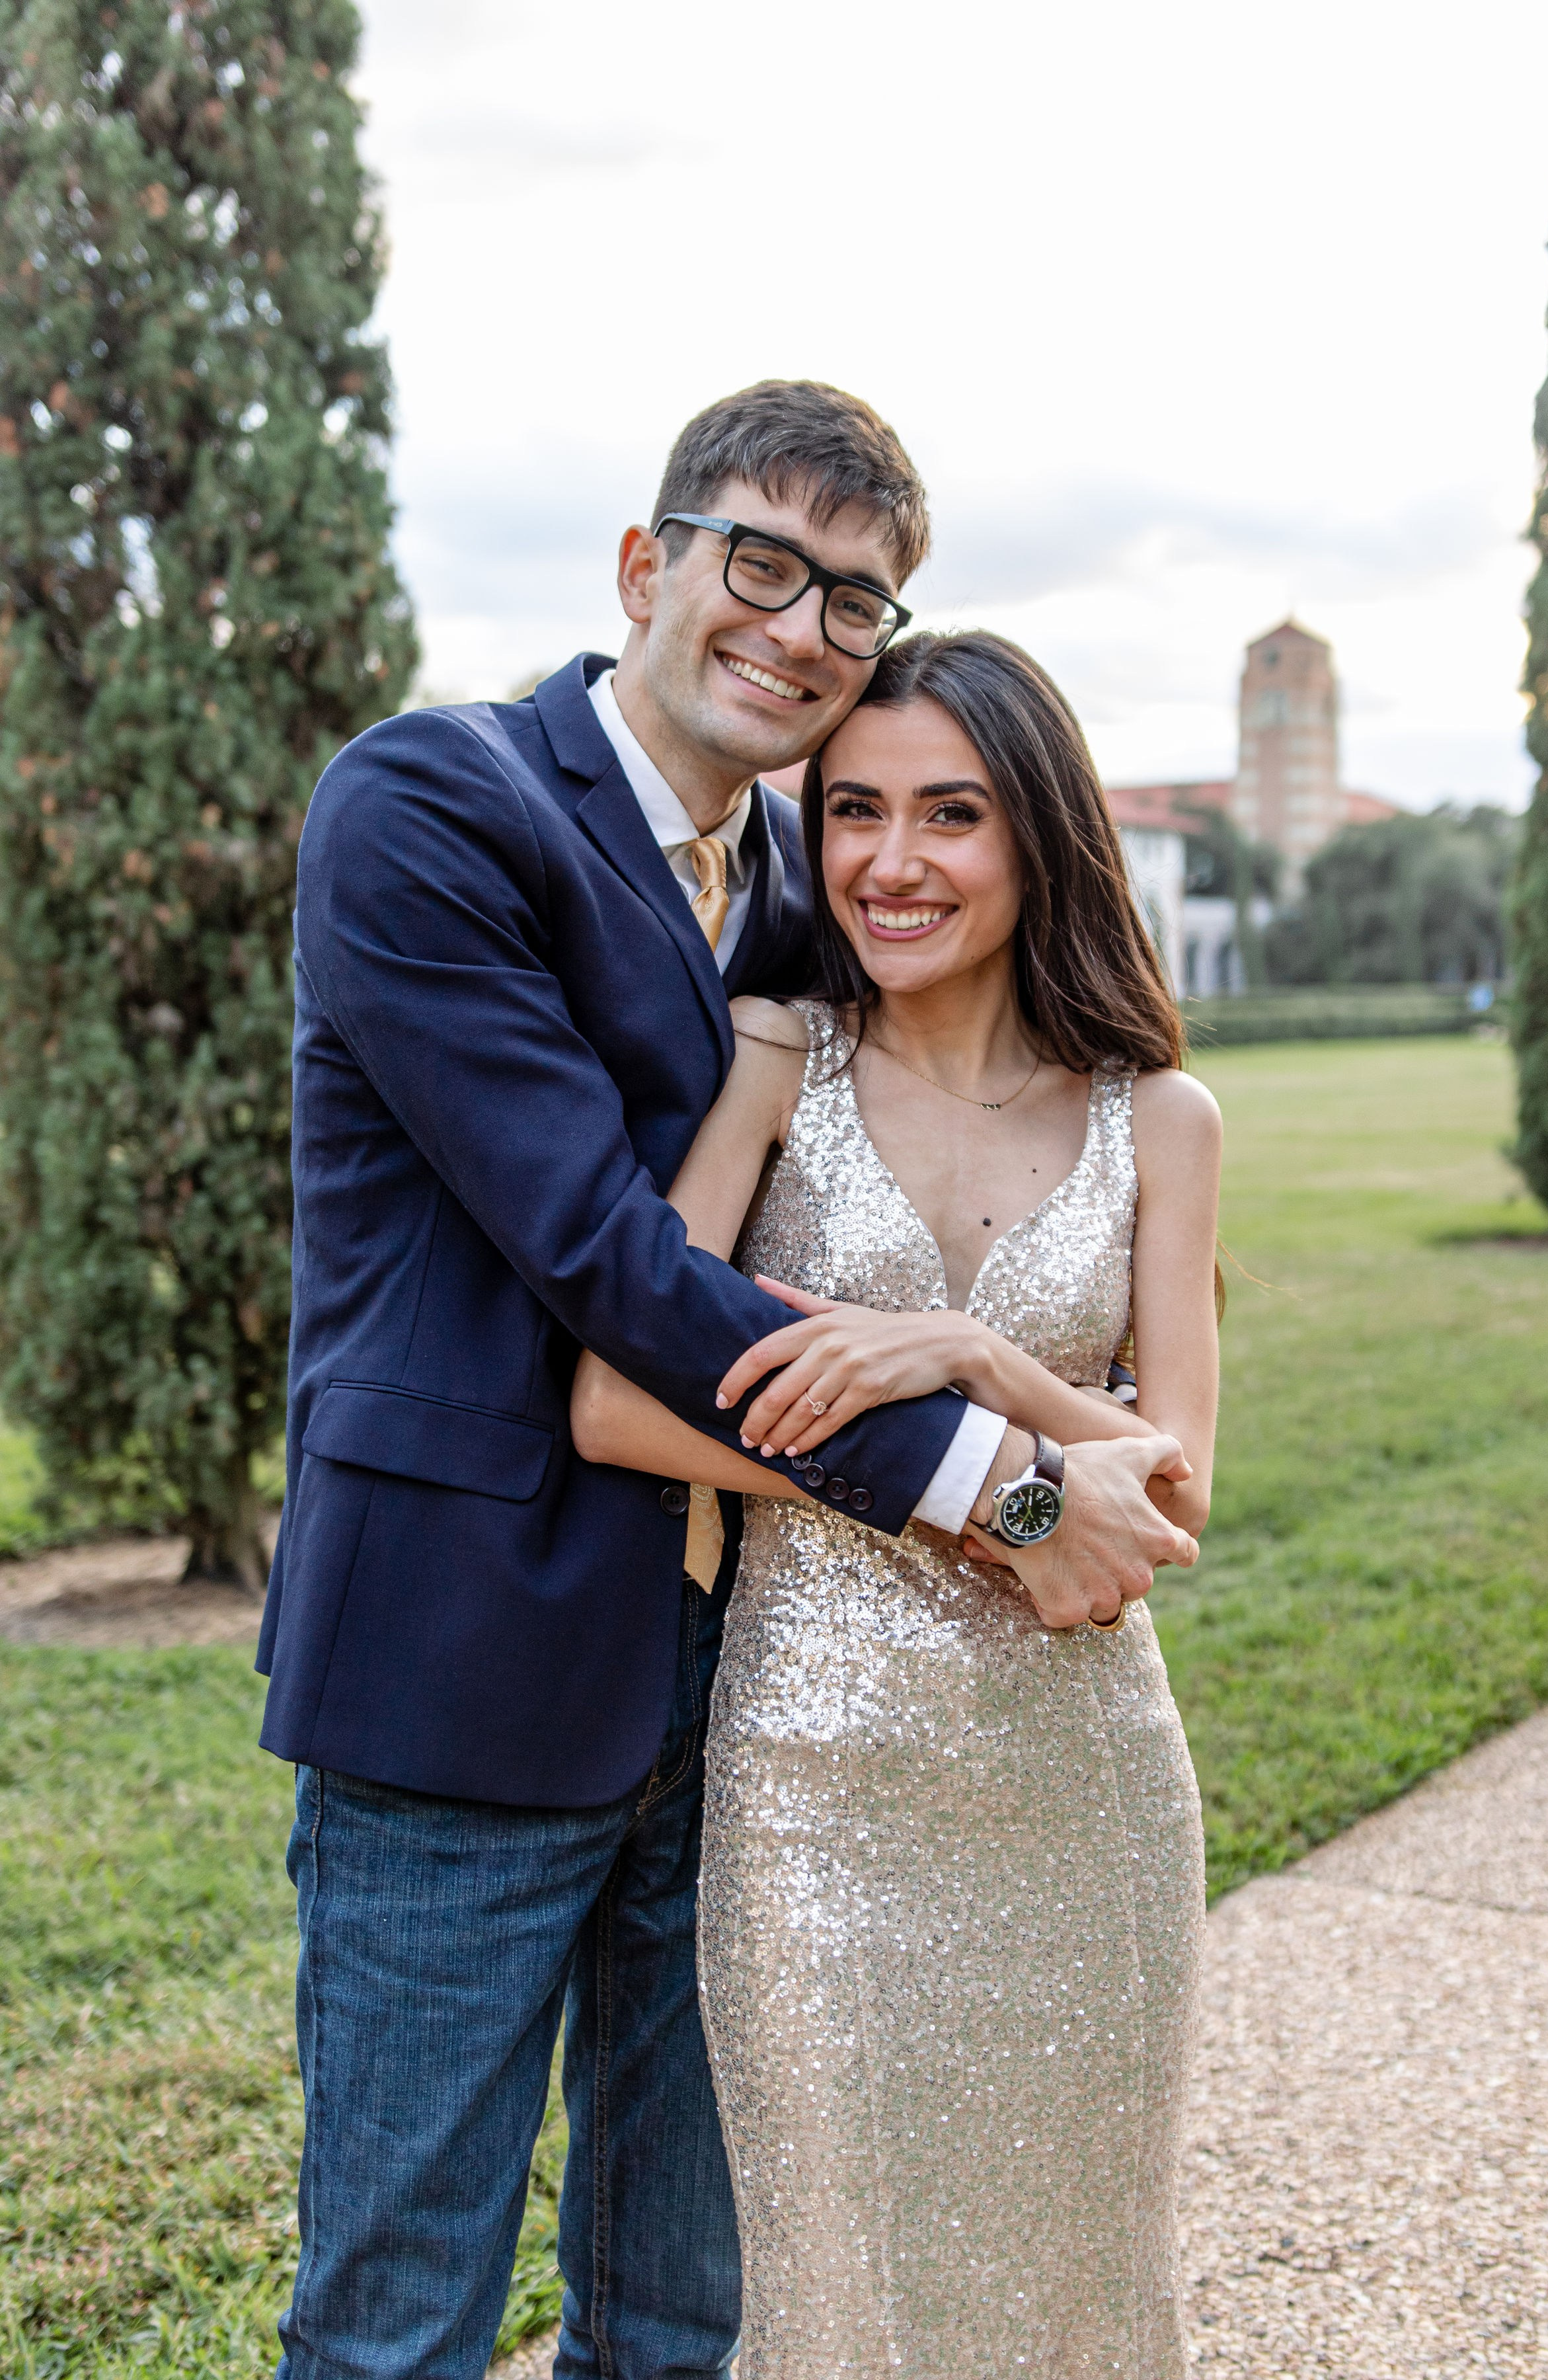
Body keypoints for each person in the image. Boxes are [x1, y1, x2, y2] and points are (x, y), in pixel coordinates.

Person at [260, 379, 1196, 2380]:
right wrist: (999, 1481)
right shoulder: (433, 808)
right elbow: (609, 1266)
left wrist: (989, 1323)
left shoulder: (796, 880)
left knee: (686, 2310)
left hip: (752, 1706)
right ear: (644, 566)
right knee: (399, 2322)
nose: (799, 625)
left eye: (854, 598)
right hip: (462, 1664)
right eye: (759, 562)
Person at [571, 628, 1219, 2377]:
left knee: (1080, 2285)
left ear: (1040, 839)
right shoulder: (777, 1059)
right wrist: (987, 1495)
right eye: (853, 811)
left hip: (1088, 1798)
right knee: (837, 2294)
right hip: (816, 1795)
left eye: (952, 814)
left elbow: (1167, 1503)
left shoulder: (1162, 1118)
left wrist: (970, 1362)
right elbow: (624, 1399)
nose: (890, 862)